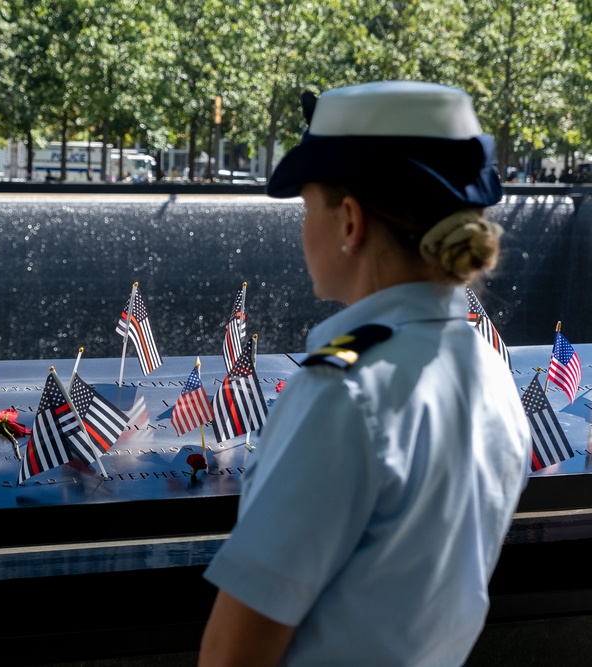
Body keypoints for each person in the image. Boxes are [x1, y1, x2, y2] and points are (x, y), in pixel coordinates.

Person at [199, 81, 530, 666]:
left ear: (349, 221)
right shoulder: (491, 374)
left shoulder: (345, 394)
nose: (303, 230)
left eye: (308, 208)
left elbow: (235, 652)